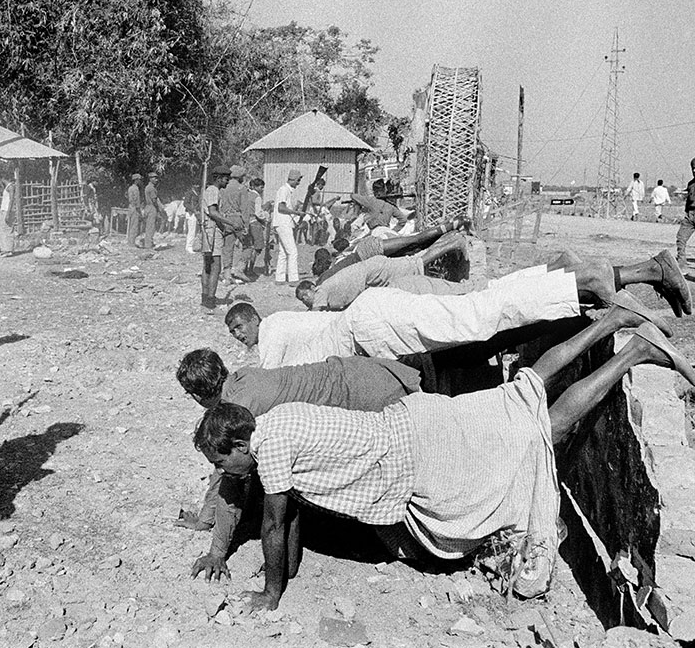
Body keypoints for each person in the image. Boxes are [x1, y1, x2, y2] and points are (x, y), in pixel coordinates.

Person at [196, 312, 695, 611]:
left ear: (239, 445)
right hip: (414, 418)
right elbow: (289, 518)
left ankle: (633, 354)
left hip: (420, 455)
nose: (223, 473)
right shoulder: (277, 418)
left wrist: (272, 594)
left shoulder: (270, 450)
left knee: (542, 430)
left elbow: (275, 524)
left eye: (221, 462)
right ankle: (611, 324)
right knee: (520, 393)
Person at [176, 349, 421, 580]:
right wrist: (206, 519)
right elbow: (224, 473)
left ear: (196, 395)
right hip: (364, 372)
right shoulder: (243, 380)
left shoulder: (240, 407)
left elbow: (228, 485)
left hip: (370, 395)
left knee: (396, 477)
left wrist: (216, 552)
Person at [226, 251, 688, 368]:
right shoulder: (284, 323)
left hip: (370, 329)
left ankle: (587, 280)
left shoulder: (271, 334)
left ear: (250, 321)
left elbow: (265, 383)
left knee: (478, 315)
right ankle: (581, 273)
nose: (241, 339)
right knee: (478, 308)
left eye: (238, 330)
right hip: (371, 320)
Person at [296, 233, 469, 311]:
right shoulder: (328, 282)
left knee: (417, 262)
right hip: (371, 269)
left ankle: (454, 242)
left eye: (305, 297)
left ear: (312, 288)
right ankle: (450, 239)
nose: (305, 302)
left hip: (374, 270)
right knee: (416, 255)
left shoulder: (321, 289)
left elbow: (315, 315)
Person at [316, 213, 471, 283]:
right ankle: (450, 227)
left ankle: (454, 224)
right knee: (414, 244)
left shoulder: (327, 279)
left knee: (414, 242)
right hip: (367, 250)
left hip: (368, 253)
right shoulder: (337, 260)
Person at [200, 166, 233, 310]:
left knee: (207, 266)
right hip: (212, 232)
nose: (227, 182)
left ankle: (205, 298)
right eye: (226, 179)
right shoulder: (213, 191)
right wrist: (231, 223)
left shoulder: (210, 190)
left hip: (209, 229)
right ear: (219, 178)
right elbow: (213, 212)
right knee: (215, 267)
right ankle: (210, 301)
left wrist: (224, 226)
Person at [218, 165, 254, 284]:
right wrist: (246, 225)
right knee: (248, 245)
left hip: (226, 219)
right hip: (238, 219)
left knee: (228, 248)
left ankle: (227, 275)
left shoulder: (223, 188)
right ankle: (240, 268)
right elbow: (245, 209)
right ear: (240, 176)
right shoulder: (241, 188)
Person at [273, 170, 309, 284]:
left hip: (283, 223)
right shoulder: (284, 190)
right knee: (293, 252)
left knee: (283, 252)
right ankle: (293, 279)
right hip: (283, 223)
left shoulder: (286, 190)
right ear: (292, 179)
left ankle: (280, 278)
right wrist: (297, 213)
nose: (298, 183)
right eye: (298, 180)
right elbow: (281, 208)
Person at [678, 159, 695, 267]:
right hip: (690, 215)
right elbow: (688, 200)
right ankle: (681, 264)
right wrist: (686, 212)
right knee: (681, 238)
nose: (694, 170)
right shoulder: (690, 184)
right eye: (693, 168)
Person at [143, 171, 163, 249]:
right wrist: (158, 209)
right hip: (152, 207)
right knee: (151, 227)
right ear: (150, 179)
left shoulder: (147, 187)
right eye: (154, 178)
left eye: (156, 178)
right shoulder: (151, 188)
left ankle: (148, 243)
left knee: (149, 226)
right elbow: (154, 200)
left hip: (148, 207)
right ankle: (148, 245)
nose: (156, 180)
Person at [0, 177, 16, 257]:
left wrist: (8, 213)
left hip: (8, 210)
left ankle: (9, 249)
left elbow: (11, 200)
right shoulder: (6, 187)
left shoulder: (11, 187)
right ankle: (4, 249)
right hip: (3, 210)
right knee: (2, 229)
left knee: (7, 229)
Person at [126, 174, 143, 247]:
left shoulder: (130, 188)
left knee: (131, 225)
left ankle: (130, 241)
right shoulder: (135, 188)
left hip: (131, 207)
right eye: (139, 180)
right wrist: (139, 210)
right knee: (134, 225)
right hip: (135, 208)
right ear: (136, 180)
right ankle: (132, 243)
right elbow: (136, 200)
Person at [183, 185, 199, 254]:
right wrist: (193, 210)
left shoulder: (197, 193)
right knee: (191, 231)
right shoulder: (189, 193)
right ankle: (189, 246)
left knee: (194, 230)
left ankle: (189, 246)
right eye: (196, 185)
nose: (197, 186)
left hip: (195, 213)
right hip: (191, 213)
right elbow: (185, 203)